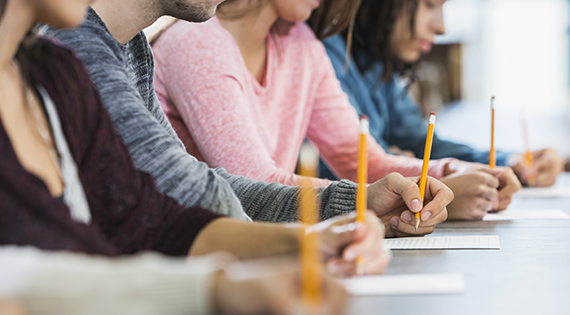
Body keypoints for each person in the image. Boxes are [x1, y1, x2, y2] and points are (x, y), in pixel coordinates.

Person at [0, 0, 347, 313]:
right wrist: (214, 289)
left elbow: (150, 219)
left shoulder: (56, 71)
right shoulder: (77, 47)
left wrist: (311, 241)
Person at [46, 0, 453, 236]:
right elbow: (184, 192)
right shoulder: (76, 49)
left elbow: (196, 182)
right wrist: (324, 231)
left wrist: (359, 203)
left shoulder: (131, 48)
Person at [152, 0, 520, 222]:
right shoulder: (196, 42)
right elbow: (256, 185)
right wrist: (381, 201)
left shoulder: (301, 44)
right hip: (206, 252)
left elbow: (359, 158)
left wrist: (448, 172)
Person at [320, 0, 566, 190]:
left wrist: (509, 163)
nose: (441, 27)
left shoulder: (376, 64)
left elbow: (423, 146)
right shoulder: (325, 54)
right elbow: (358, 165)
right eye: (429, 5)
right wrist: (446, 177)